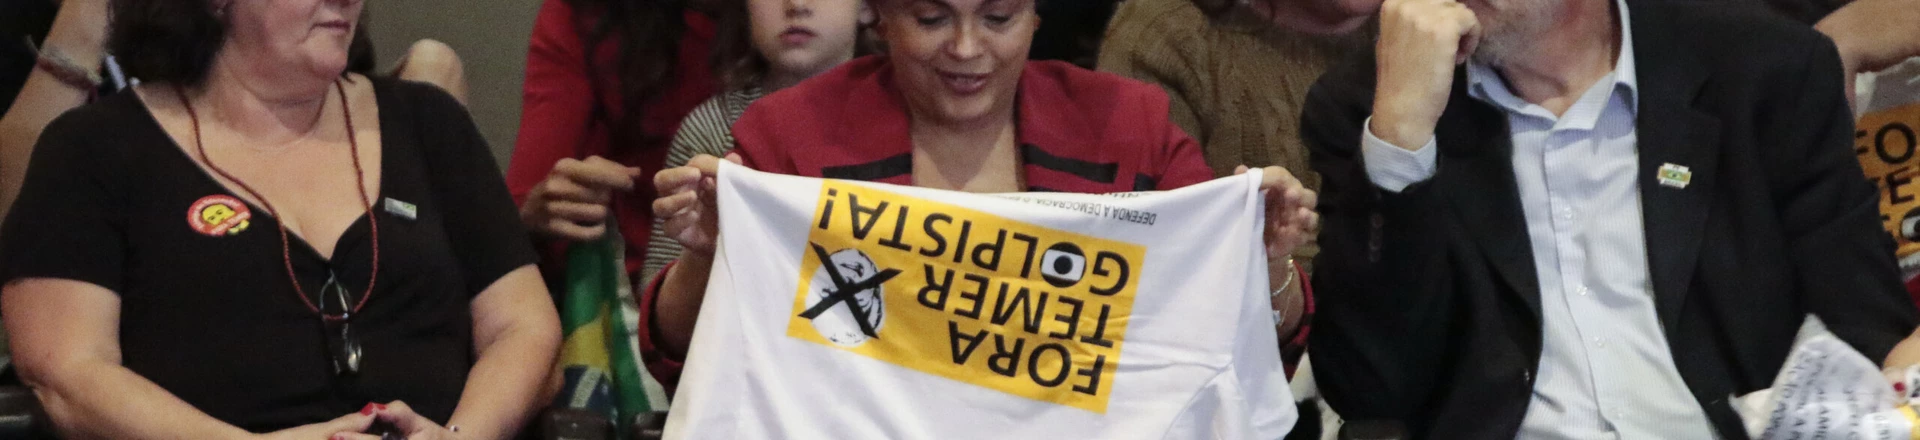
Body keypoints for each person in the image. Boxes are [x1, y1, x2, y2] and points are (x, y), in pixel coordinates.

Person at [1302, 0, 1920, 436]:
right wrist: (1400, 146)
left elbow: (1864, 324)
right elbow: (1369, 388)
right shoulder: (1376, 105)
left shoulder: (1762, 68)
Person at [642, 0, 1321, 391]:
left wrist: (1265, 262)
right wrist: (706, 256)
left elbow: (1247, 347)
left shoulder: (1127, 126)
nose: (967, 48)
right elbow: (683, 359)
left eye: (997, 17)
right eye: (932, 18)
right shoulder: (790, 135)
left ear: (1035, 16)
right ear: (881, 16)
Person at [0, 0, 561, 438]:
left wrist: (460, 437)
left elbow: (524, 328)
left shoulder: (427, 123)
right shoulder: (96, 149)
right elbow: (66, 372)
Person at [639, 0, 869, 284]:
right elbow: (656, 289)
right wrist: (703, 256)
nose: (796, 4)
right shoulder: (712, 127)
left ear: (869, 6)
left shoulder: (905, 118)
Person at [510, 0, 720, 289]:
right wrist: (540, 213)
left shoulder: (774, 29)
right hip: (624, 288)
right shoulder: (582, 16)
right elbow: (521, 206)